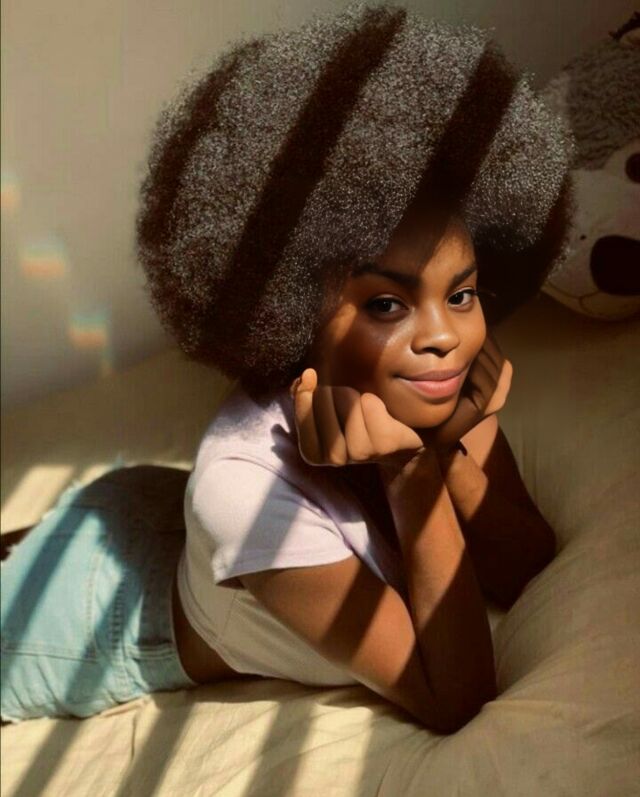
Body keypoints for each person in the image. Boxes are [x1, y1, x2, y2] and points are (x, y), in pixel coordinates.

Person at [1, 2, 574, 731]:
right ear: (294, 314)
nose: (444, 337)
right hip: (81, 614)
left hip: (156, 515)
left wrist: (450, 446)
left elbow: (526, 564)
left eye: (460, 294)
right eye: (388, 304)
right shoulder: (243, 491)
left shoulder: (433, 379)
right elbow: (455, 696)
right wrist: (412, 473)